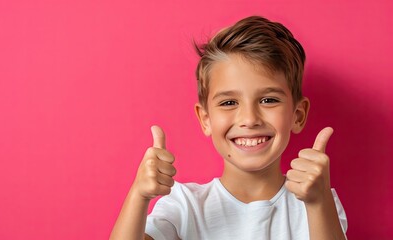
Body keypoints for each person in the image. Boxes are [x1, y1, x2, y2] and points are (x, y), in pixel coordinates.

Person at [111, 16, 347, 240]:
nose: (249, 118)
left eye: (268, 100)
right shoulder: (183, 205)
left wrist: (318, 202)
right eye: (229, 103)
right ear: (205, 119)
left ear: (297, 115)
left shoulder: (319, 201)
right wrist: (138, 195)